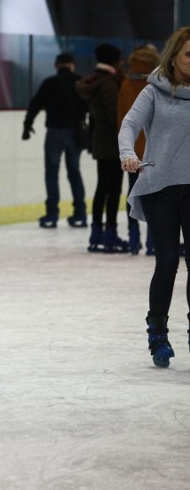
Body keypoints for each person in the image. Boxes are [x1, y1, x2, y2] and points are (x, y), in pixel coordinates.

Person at [119, 27, 190, 369]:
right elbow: (129, 125)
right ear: (174, 55)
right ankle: (157, 334)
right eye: (189, 54)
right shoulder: (154, 92)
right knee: (167, 264)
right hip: (161, 186)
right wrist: (127, 153)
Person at [22, 52, 89, 229]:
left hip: (54, 133)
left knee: (52, 173)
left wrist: (27, 126)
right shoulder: (80, 82)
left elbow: (34, 104)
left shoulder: (49, 83)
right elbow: (90, 107)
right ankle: (80, 213)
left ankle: (52, 214)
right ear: (72, 65)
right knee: (74, 172)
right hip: (75, 133)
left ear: (56, 66)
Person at [78, 43, 127, 253]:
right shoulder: (108, 83)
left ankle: (96, 232)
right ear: (114, 61)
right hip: (112, 142)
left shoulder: (93, 80)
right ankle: (110, 234)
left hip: (99, 140)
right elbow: (114, 113)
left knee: (102, 188)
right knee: (113, 189)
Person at [117, 44, 160, 255]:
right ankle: (153, 240)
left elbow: (122, 118)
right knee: (156, 197)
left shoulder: (126, 84)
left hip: (133, 152)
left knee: (132, 193)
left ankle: (133, 237)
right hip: (156, 152)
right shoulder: (158, 88)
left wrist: (125, 148)